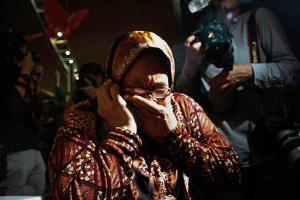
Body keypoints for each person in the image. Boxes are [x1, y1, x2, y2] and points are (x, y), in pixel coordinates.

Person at [48, 30, 241, 199]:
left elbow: (231, 172)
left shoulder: (182, 106)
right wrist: (122, 135)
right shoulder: (84, 117)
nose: (149, 101)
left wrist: (175, 137)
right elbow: (68, 194)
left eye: (159, 90)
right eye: (136, 89)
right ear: (114, 85)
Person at [175, 0, 300, 199]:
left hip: (264, 150)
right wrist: (190, 66)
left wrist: (249, 72)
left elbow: (293, 72)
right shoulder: (201, 34)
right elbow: (179, 97)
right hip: (222, 157)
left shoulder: (258, 19)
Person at [0, 29, 46, 195]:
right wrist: (25, 72)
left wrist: (36, 84)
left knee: (34, 196)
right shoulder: (4, 73)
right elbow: (10, 107)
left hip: (31, 148)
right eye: (22, 51)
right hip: (13, 150)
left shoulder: (16, 75)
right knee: (14, 197)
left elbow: (31, 112)